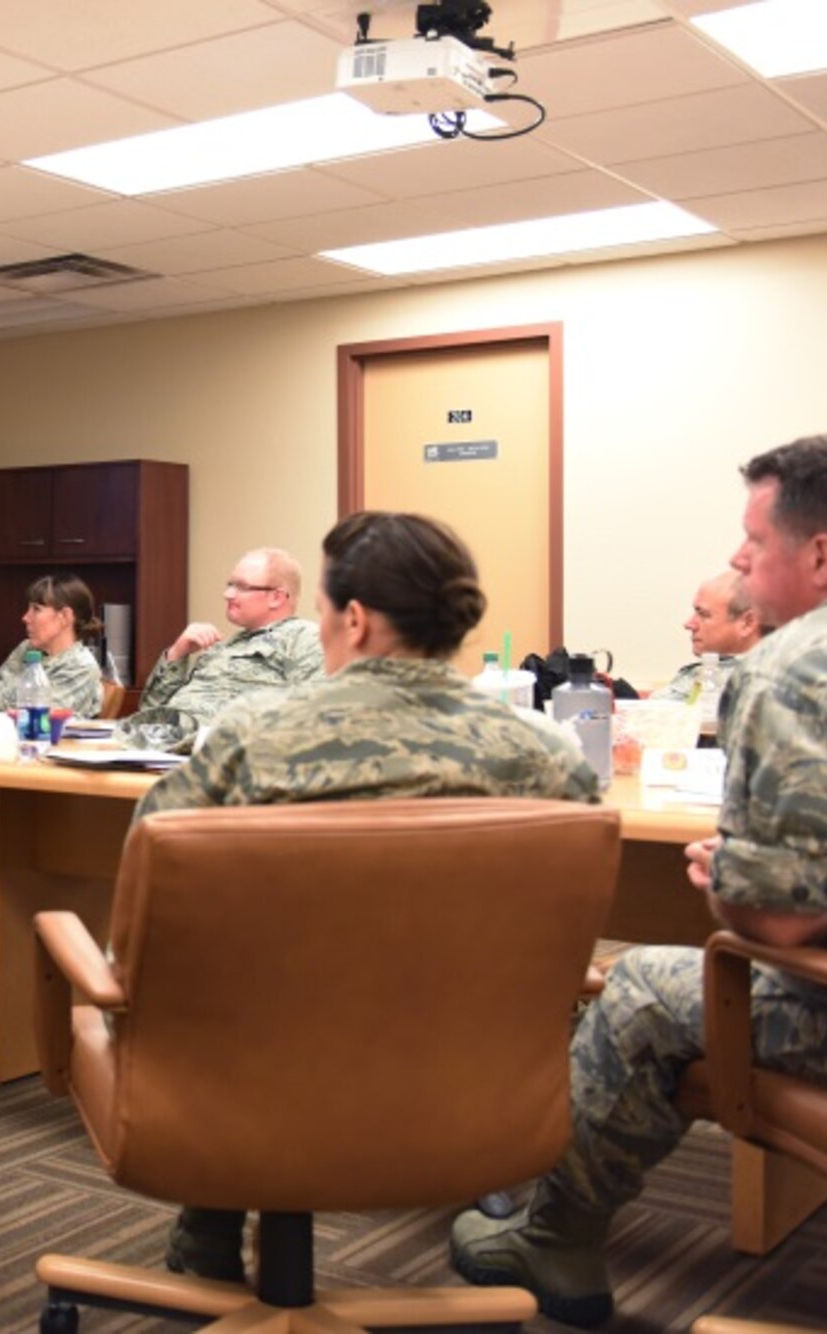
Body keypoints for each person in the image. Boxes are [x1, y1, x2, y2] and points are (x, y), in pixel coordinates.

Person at [134, 511, 600, 1284]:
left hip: (269, 1070)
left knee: (222, 975)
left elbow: (151, 880)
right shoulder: (548, 755)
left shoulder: (254, 735)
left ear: (353, 618)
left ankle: (212, 1214)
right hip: (483, 1080)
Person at [452, 437, 827, 1328]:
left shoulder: (795, 666)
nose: (740, 560)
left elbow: (781, 925)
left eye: (754, 541)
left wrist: (729, 877)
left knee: (636, 987)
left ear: (820, 556)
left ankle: (554, 1238)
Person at [121, 546, 323, 753]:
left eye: (242, 587)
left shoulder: (305, 637)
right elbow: (150, 711)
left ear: (276, 597)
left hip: (226, 759)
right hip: (157, 749)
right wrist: (178, 653)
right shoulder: (222, 647)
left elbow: (314, 716)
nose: (227, 594)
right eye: (230, 585)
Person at [0, 574, 104, 718]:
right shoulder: (27, 649)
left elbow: (35, 720)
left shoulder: (81, 667)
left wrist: (3, 701)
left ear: (65, 617)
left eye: (36, 609)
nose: (25, 618)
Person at [650, 569, 763, 704]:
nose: (689, 624)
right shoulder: (708, 672)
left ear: (747, 623)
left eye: (703, 614)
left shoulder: (757, 686)